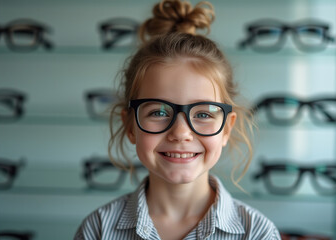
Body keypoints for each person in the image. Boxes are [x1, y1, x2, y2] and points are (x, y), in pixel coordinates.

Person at [75, 0, 281, 239]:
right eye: (159, 112)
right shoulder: (98, 229)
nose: (181, 132)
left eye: (203, 114)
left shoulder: (256, 233)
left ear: (226, 128)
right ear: (130, 125)